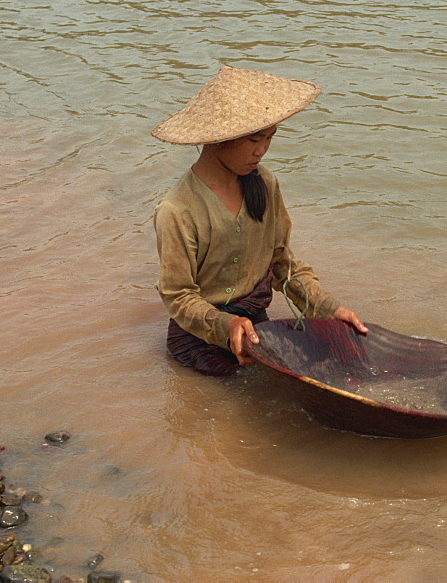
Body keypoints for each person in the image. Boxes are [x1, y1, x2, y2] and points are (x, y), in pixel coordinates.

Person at [152, 66, 368, 376]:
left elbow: (283, 265)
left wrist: (328, 310)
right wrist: (227, 325)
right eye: (255, 139)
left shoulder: (264, 184)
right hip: (199, 336)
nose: (262, 150)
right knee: (235, 395)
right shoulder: (177, 210)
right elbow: (178, 297)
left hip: (253, 327)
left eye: (269, 138)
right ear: (219, 140)